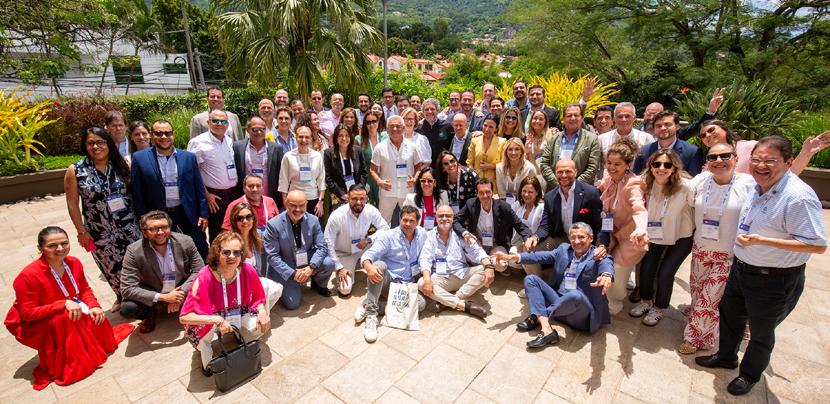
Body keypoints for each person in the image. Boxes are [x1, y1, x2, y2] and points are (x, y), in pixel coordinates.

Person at [696, 136, 827, 396]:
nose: (761, 165)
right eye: (756, 159)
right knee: (731, 316)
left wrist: (762, 241)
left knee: (760, 331)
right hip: (742, 268)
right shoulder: (756, 186)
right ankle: (726, 357)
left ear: (788, 162)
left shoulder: (798, 197)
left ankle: (749, 375)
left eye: (770, 161)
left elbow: (816, 244)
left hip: (774, 278)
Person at [4, 227, 130, 390]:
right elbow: (27, 314)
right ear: (40, 248)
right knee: (64, 316)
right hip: (40, 321)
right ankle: (73, 361)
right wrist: (61, 304)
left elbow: (84, 290)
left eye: (64, 243)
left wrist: (94, 306)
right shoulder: (28, 276)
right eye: (52, 245)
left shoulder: (74, 263)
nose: (60, 248)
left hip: (71, 307)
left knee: (94, 315)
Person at [679, 142, 755, 355]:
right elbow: (681, 189)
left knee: (709, 299)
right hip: (701, 249)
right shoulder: (702, 180)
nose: (718, 161)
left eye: (725, 156)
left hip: (727, 255)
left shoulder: (748, 183)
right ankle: (707, 330)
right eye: (713, 157)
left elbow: (781, 180)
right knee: (698, 295)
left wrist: (805, 154)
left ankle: (695, 338)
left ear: (736, 159)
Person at [495, 222, 614, 349]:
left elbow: (607, 264)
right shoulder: (564, 249)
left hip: (580, 315)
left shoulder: (598, 255)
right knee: (530, 279)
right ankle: (547, 329)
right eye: (573, 237)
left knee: (575, 295)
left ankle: (539, 315)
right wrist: (515, 257)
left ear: (591, 238)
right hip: (558, 302)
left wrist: (606, 275)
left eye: (581, 237)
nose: (576, 241)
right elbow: (541, 256)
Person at [65, 128, 140, 306]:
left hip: (130, 225)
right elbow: (72, 204)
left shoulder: (122, 164)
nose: (96, 147)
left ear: (108, 144)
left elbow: (135, 194)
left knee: (137, 261)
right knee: (111, 265)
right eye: (90, 143)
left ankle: (142, 295)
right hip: (100, 230)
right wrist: (81, 231)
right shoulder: (75, 170)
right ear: (85, 146)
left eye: (100, 142)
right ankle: (123, 297)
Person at [179, 232, 269, 376]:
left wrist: (262, 311)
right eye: (226, 252)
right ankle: (208, 364)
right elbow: (184, 317)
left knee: (258, 323)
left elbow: (259, 296)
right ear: (217, 253)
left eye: (236, 252)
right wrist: (217, 320)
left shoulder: (247, 270)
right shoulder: (204, 277)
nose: (232, 256)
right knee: (204, 333)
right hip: (212, 315)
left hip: (237, 309)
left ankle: (240, 335)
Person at [628, 150, 694, 326]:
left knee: (666, 273)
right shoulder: (646, 183)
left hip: (681, 236)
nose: (661, 168)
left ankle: (659, 308)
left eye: (667, 164)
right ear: (651, 166)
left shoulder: (686, 186)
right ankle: (646, 301)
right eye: (657, 164)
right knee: (646, 269)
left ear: (674, 168)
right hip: (655, 234)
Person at [131, 120, 209, 257]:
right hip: (158, 215)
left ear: (173, 134)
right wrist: (143, 219)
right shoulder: (140, 158)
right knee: (165, 252)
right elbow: (137, 193)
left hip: (187, 213)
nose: (164, 137)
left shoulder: (188, 157)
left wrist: (203, 213)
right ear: (151, 134)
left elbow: (198, 187)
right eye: (159, 133)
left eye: (167, 133)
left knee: (200, 248)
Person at [120, 211, 203, 333]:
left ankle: (188, 308)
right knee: (128, 308)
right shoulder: (134, 251)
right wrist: (164, 297)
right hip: (153, 289)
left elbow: (199, 270)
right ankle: (150, 313)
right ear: (144, 233)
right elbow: (127, 288)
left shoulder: (185, 241)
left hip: (179, 286)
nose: (160, 232)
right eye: (153, 229)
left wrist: (180, 293)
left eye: (164, 227)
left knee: (206, 285)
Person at [356, 205, 428, 342]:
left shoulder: (422, 234)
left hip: (408, 284)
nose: (407, 224)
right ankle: (371, 316)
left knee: (421, 304)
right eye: (404, 220)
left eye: (411, 221)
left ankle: (369, 305)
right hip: (389, 282)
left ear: (417, 222)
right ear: (400, 220)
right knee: (378, 266)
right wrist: (368, 266)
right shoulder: (388, 236)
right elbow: (368, 255)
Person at [597, 138, 649, 314]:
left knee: (618, 267)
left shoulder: (634, 185)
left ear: (628, 164)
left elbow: (638, 208)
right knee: (606, 262)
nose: (611, 167)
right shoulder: (609, 180)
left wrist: (641, 229)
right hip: (612, 232)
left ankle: (615, 300)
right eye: (609, 163)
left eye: (617, 164)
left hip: (630, 235)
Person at [419, 205, 494, 318]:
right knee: (421, 283)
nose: (444, 218)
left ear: (453, 218)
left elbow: (476, 251)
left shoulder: (460, 234)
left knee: (485, 269)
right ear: (436, 217)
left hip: (462, 274)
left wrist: (489, 266)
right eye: (441, 216)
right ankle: (464, 306)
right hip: (443, 278)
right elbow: (425, 258)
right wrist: (427, 278)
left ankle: (448, 301)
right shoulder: (429, 236)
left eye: (448, 216)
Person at [263, 191, 335, 309]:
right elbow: (272, 256)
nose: (298, 209)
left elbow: (322, 246)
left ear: (306, 204)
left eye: (301, 205)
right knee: (293, 304)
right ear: (286, 203)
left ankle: (318, 284)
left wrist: (311, 267)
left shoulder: (313, 220)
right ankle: (290, 284)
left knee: (329, 263)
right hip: (286, 266)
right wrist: (293, 273)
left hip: (307, 261)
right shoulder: (273, 225)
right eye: (293, 205)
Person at [453, 178, 534, 273]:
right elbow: (456, 221)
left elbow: (519, 225)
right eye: (481, 193)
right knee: (463, 254)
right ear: (476, 193)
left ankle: (486, 263)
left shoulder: (503, 206)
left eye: (488, 192)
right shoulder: (470, 204)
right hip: (478, 243)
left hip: (497, 244)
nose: (485, 196)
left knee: (501, 265)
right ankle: (486, 263)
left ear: (492, 192)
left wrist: (528, 239)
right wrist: (465, 233)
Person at [324, 184, 390, 295]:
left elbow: (385, 228)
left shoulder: (370, 210)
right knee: (345, 289)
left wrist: (369, 239)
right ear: (348, 198)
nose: (359, 202)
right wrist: (339, 267)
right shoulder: (337, 216)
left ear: (366, 198)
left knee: (384, 242)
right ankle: (351, 266)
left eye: (362, 199)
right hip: (343, 254)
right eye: (354, 199)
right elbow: (328, 243)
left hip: (362, 248)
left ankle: (379, 270)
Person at [697, 120, 830, 175]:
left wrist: (806, 153)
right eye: (703, 135)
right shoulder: (708, 163)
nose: (708, 135)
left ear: (724, 129)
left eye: (711, 130)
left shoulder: (750, 147)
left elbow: (787, 174)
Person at [187, 110, 241, 244]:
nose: (219, 124)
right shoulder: (198, 142)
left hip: (232, 194)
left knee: (235, 231)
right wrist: (206, 195)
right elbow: (193, 173)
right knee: (219, 234)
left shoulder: (229, 140)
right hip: (215, 197)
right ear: (208, 122)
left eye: (223, 121)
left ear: (228, 124)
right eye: (215, 121)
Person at [227, 203, 283, 311]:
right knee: (264, 289)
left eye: (248, 217)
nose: (245, 221)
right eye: (240, 218)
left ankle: (259, 312)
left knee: (276, 289)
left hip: (254, 279)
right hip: (236, 284)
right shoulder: (230, 241)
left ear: (253, 219)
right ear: (234, 221)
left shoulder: (258, 236)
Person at [370, 115, 422, 224]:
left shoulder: (412, 146)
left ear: (403, 128)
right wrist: (379, 181)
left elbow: (418, 166)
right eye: (391, 126)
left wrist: (415, 178)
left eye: (398, 126)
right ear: (387, 129)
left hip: (407, 191)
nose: (394, 129)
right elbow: (372, 169)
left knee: (410, 221)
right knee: (383, 223)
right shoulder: (379, 148)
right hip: (387, 192)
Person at [539, 103, 601, 191]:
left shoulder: (592, 139)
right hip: (555, 190)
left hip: (581, 191)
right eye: (569, 115)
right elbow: (544, 164)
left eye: (576, 115)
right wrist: (558, 184)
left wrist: (574, 186)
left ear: (582, 118)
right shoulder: (554, 138)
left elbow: (592, 167)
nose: (573, 118)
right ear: (563, 118)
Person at [232, 116, 285, 208]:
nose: (259, 132)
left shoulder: (276, 148)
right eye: (255, 129)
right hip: (245, 199)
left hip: (269, 198)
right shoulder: (238, 147)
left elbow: (281, 175)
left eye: (262, 129)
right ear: (248, 130)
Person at [633, 110, 704, 176]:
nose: (663, 128)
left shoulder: (692, 152)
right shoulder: (644, 151)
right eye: (658, 126)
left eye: (667, 124)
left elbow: (695, 180)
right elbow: (637, 177)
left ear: (677, 126)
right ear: (654, 129)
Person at [597, 103, 655, 179]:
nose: (623, 119)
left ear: (634, 118)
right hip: (608, 183)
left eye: (627, 116)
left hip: (637, 183)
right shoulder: (602, 139)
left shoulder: (646, 138)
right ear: (614, 119)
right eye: (620, 116)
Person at [279, 126, 326, 216]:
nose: (303, 140)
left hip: (313, 200)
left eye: (307, 137)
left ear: (311, 139)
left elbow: (321, 180)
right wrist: (285, 202)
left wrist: (320, 201)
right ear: (296, 138)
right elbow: (283, 182)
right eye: (300, 137)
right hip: (294, 201)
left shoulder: (317, 156)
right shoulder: (288, 156)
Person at [325, 123, 368, 211]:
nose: (344, 138)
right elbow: (328, 178)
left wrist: (358, 191)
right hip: (339, 195)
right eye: (341, 136)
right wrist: (342, 194)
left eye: (347, 135)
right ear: (336, 137)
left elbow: (364, 173)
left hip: (358, 193)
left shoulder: (358, 150)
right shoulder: (328, 153)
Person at [356, 110, 387, 205]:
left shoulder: (386, 137)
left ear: (378, 122)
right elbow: (357, 162)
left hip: (383, 176)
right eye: (368, 122)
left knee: (383, 206)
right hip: (367, 177)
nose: (371, 124)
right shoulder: (359, 139)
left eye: (374, 121)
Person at [403, 167, 449, 231]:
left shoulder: (443, 195)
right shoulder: (410, 198)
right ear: (420, 183)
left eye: (430, 181)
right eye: (423, 181)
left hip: (437, 232)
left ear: (435, 182)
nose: (426, 183)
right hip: (417, 233)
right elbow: (404, 219)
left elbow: (447, 216)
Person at [467, 113, 506, 183]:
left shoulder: (502, 142)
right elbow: (469, 163)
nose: (487, 129)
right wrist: (473, 177)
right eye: (485, 125)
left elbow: (504, 164)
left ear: (496, 129)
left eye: (491, 127)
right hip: (477, 182)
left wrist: (491, 166)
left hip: (494, 183)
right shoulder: (474, 141)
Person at [496, 138, 537, 203]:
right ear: (506, 152)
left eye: (517, 149)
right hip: (505, 204)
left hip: (524, 203)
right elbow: (501, 193)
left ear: (521, 151)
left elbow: (534, 191)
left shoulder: (530, 168)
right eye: (510, 149)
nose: (513, 153)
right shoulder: (499, 168)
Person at [417, 98, 450, 165]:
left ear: (437, 111)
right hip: (424, 167)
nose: (429, 111)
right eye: (426, 109)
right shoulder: (418, 129)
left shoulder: (447, 126)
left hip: (442, 166)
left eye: (432, 109)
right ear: (423, 112)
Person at [525, 110, 554, 178]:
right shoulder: (527, 136)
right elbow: (524, 157)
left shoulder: (552, 135)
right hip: (531, 175)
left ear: (545, 122)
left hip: (547, 175)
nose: (537, 121)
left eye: (541, 119)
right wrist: (526, 151)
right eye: (535, 118)